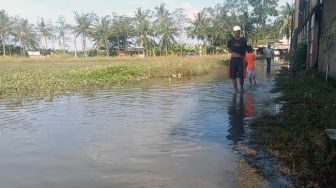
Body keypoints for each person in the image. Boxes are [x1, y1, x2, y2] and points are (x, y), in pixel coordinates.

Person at [227, 26, 247, 93]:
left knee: (241, 76)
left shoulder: (243, 40)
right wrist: (237, 49)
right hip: (233, 60)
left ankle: (241, 87)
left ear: (240, 32)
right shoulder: (230, 40)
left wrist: (236, 50)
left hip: (240, 59)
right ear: (233, 32)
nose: (237, 32)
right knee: (233, 76)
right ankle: (235, 89)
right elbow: (229, 50)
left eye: (238, 31)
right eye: (236, 31)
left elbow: (244, 50)